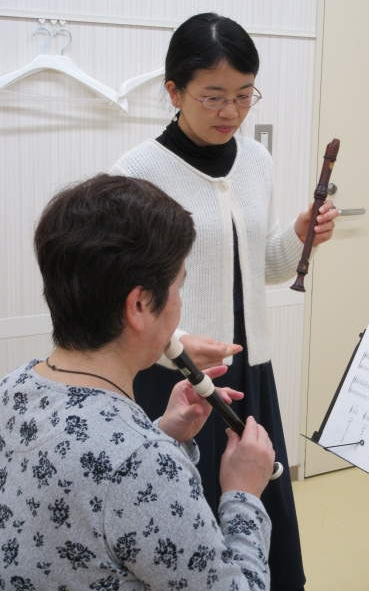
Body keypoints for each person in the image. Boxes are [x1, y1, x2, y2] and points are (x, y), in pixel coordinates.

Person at [112, 12, 338, 591]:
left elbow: (262, 267)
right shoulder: (137, 172)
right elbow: (121, 297)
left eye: (243, 95)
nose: (230, 112)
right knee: (186, 530)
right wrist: (175, 345)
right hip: (175, 381)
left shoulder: (257, 163)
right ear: (174, 91)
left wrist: (300, 236)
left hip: (249, 372)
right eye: (213, 96)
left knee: (258, 512)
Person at [0, 173, 275, 590]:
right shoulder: (144, 464)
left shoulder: (11, 389)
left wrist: (163, 434)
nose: (179, 304)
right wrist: (243, 494)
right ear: (140, 305)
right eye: (179, 287)